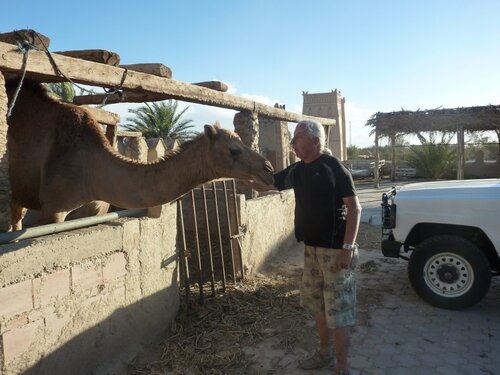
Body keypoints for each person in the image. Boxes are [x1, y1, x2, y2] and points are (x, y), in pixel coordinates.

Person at [248, 120, 361, 375]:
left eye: (297, 138)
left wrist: (348, 248)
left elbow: (355, 207)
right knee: (318, 307)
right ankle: (324, 353)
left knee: (338, 311)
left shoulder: (333, 167)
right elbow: (268, 183)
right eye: (293, 139)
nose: (292, 143)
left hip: (335, 253)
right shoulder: (298, 170)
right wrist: (244, 173)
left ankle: (342, 367)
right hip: (311, 251)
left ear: (315, 141)